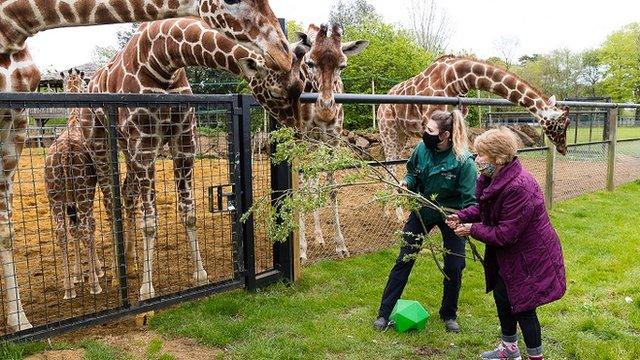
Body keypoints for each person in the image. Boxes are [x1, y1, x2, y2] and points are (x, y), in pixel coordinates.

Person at [447, 127, 566, 360]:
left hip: (530, 256)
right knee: (503, 296)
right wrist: (462, 216)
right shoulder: (492, 177)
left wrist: (471, 229)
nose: (476, 158)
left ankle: (535, 357)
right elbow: (485, 210)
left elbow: (505, 234)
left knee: (524, 306)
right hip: (510, 255)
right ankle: (509, 349)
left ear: (498, 158)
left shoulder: (519, 187)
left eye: (481, 154)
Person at [373, 109, 477, 333]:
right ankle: (384, 313)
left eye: (430, 130)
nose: (425, 133)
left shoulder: (463, 161)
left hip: (452, 214)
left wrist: (460, 219)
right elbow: (412, 172)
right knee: (404, 258)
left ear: (445, 135)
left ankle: (449, 314)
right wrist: (406, 183)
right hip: (422, 210)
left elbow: (471, 202)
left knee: (454, 264)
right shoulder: (422, 149)